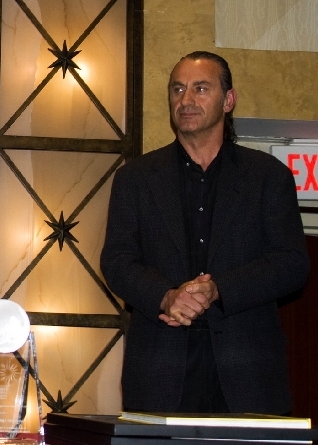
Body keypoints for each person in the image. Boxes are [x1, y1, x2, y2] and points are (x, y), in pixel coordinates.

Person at [100, 51, 309, 414]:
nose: (186, 100)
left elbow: (291, 263)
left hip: (249, 373)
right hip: (159, 372)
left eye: (200, 88)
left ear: (228, 100)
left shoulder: (267, 176)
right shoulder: (135, 178)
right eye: (177, 89)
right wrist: (165, 297)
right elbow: (117, 262)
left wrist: (218, 290)